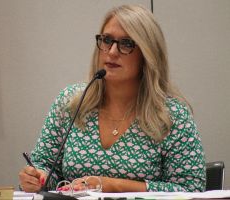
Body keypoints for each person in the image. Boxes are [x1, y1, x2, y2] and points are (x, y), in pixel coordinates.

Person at [19, 4, 206, 193]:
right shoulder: (71, 102)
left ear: (147, 54)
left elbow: (191, 190)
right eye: (107, 40)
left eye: (126, 43)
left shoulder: (172, 115)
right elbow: (44, 167)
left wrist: (114, 185)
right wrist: (36, 177)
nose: (112, 51)